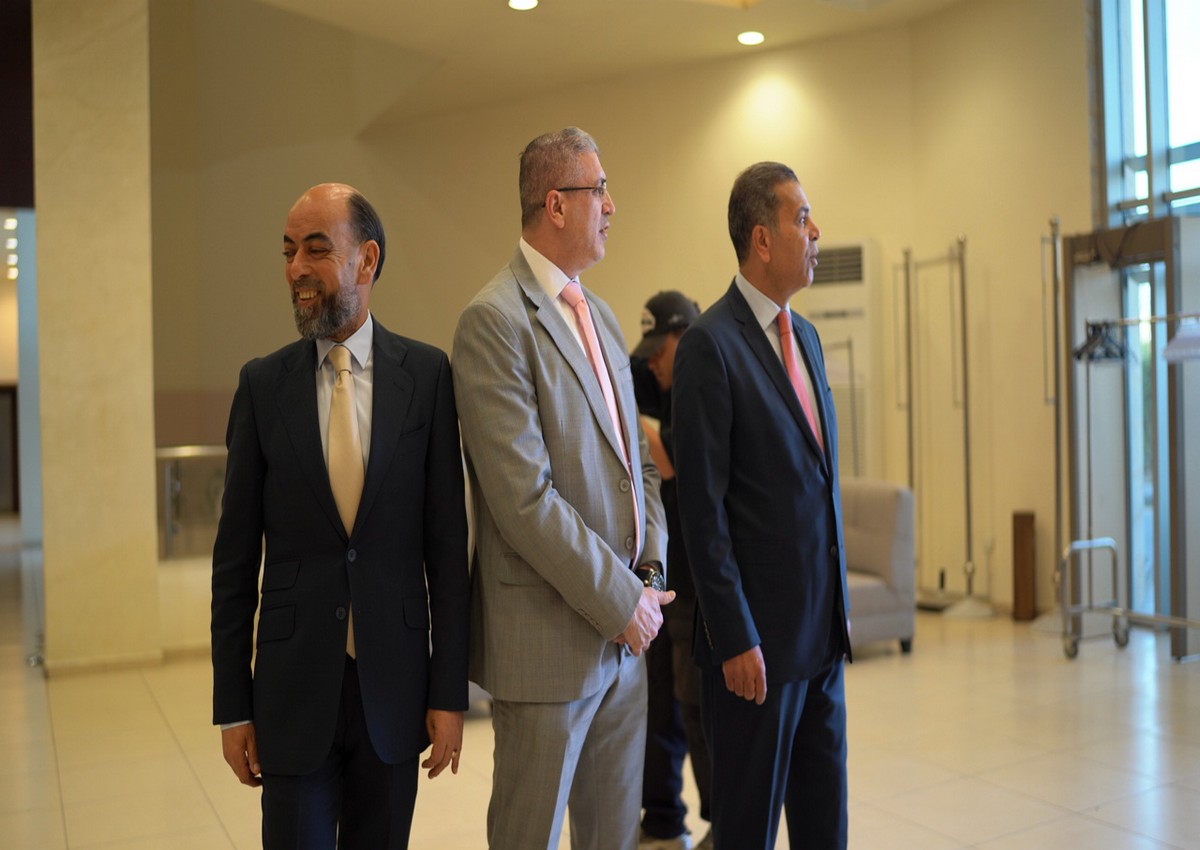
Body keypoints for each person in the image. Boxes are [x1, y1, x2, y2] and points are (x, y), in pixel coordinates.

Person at [211, 183, 471, 849]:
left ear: (367, 259)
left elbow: (447, 550)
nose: (296, 268)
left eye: (316, 250)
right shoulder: (262, 386)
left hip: (396, 689)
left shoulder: (428, 377)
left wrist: (449, 694)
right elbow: (234, 563)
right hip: (292, 692)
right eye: (288, 251)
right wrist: (232, 707)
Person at [452, 127, 673, 850]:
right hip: (546, 652)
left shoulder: (600, 316)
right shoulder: (494, 321)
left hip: (625, 644)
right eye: (599, 189)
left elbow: (640, 465)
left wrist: (647, 578)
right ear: (555, 204)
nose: (611, 204)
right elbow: (524, 501)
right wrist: (621, 601)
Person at [671, 162, 851, 850]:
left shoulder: (806, 338)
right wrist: (735, 635)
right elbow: (703, 511)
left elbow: (815, 481)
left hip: (821, 637)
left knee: (825, 826)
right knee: (746, 832)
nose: (816, 230)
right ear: (762, 239)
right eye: (802, 218)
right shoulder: (710, 346)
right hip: (757, 653)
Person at [630, 292, 713, 850]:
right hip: (659, 577)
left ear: (684, 336)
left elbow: (672, 464)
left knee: (696, 709)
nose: (654, 361)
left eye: (662, 349)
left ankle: (725, 824)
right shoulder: (653, 378)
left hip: (698, 581)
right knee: (658, 702)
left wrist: (632, 424)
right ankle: (662, 815)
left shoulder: (702, 384)